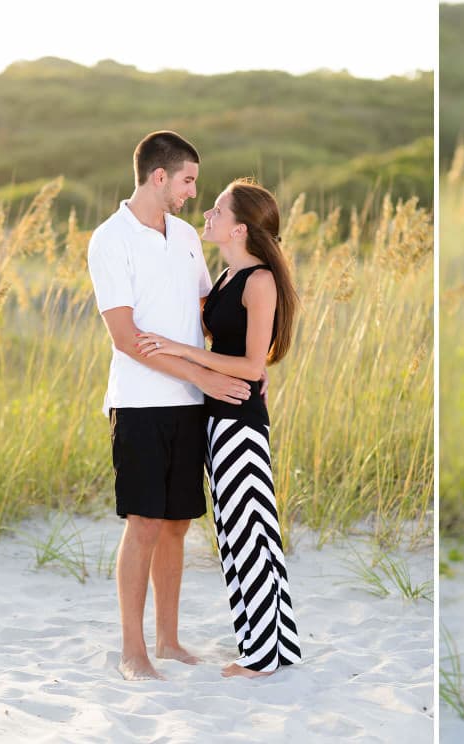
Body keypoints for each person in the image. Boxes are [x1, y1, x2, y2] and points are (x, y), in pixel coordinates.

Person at [86, 130, 254, 681]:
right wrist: (202, 377)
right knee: (144, 522)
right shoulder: (109, 240)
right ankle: (133, 651)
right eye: (187, 180)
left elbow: (210, 309)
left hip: (189, 405)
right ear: (159, 176)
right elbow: (126, 338)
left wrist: (240, 366)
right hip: (138, 404)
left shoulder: (184, 236)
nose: (192, 193)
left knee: (177, 524)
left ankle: (168, 640)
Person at [138, 178, 303, 678]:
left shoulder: (260, 281)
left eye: (217, 210)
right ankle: (280, 644)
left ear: (240, 228)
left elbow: (254, 365)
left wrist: (180, 349)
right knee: (236, 534)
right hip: (218, 417)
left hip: (241, 420)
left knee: (251, 532)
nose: (207, 214)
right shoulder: (231, 276)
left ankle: (261, 658)